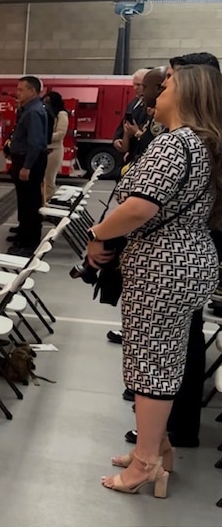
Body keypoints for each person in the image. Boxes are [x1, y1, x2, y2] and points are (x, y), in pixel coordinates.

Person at [86, 63, 222, 498]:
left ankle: (145, 463)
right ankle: (158, 447)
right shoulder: (204, 144)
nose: (157, 92)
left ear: (185, 95)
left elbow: (139, 208)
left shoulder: (176, 144)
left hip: (162, 265)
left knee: (149, 364)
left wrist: (97, 233)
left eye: (167, 86)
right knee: (166, 357)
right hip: (190, 259)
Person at [6, 76, 49, 256]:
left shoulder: (33, 112)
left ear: (32, 91)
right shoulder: (28, 110)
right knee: (24, 200)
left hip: (28, 161)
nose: (17, 93)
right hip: (22, 159)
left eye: (21, 90)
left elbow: (35, 142)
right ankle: (23, 232)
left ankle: (29, 242)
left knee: (30, 202)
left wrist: (27, 166)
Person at [42, 91, 70, 202]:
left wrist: (43, 137)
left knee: (48, 180)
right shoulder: (46, 113)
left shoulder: (61, 114)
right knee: (41, 180)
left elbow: (60, 134)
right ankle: (41, 204)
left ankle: (48, 203)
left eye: (48, 100)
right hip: (43, 149)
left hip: (54, 150)